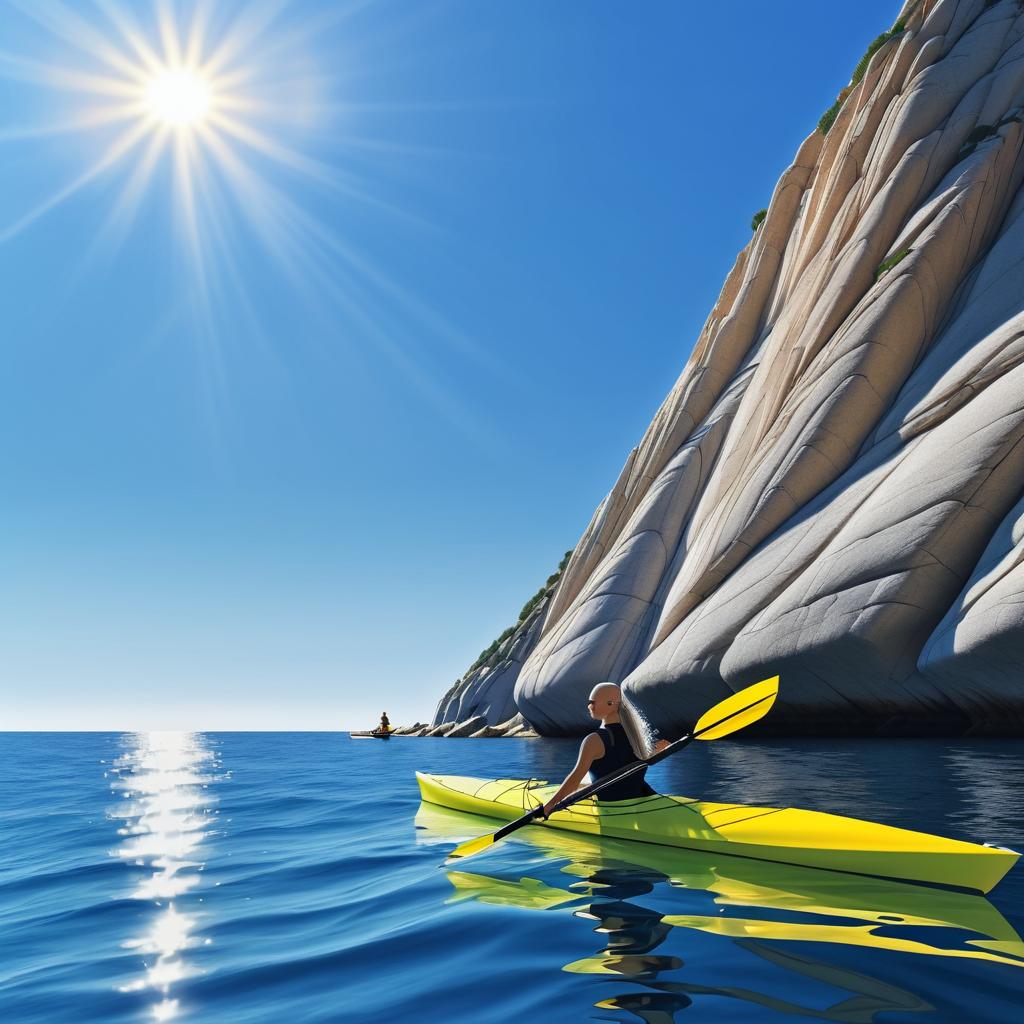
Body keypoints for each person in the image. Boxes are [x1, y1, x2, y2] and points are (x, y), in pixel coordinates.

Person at [542, 682, 668, 818]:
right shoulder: (638, 736)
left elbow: (575, 778)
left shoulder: (594, 740)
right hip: (644, 799)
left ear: (611, 704)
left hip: (613, 809)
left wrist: (550, 805)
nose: (589, 706)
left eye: (593, 702)